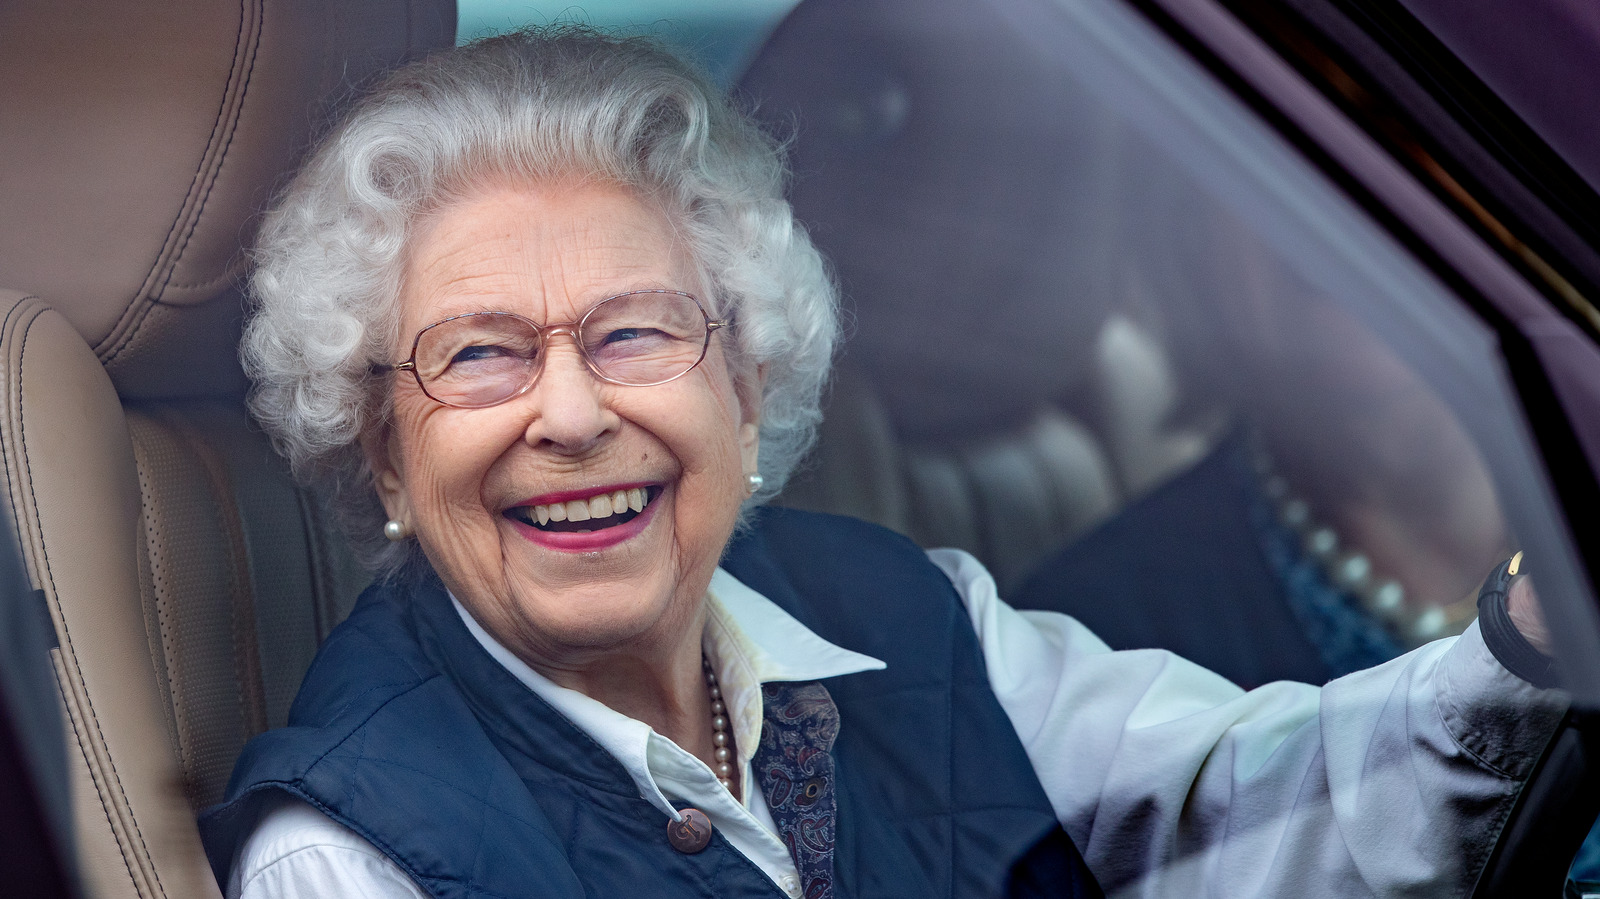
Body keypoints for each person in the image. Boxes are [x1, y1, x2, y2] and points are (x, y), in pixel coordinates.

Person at [199, 26, 1568, 899]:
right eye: (480, 354)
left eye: (635, 333)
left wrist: (1533, 635)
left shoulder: (911, 618)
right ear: (384, 452)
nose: (566, 414)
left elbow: (1271, 813)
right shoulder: (346, 857)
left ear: (748, 386)